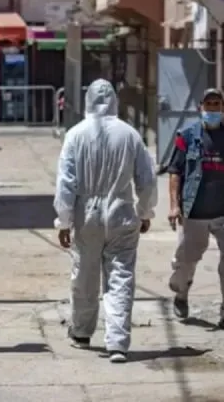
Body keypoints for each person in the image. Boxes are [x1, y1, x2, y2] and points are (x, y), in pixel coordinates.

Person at [53, 79, 157, 364]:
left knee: (84, 273)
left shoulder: (75, 135)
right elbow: (146, 180)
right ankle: (118, 343)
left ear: (87, 100)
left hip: (85, 212)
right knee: (120, 275)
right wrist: (145, 213)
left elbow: (66, 183)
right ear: (114, 101)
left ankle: (82, 332)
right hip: (122, 211)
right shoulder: (130, 135)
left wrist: (63, 221)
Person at [165, 88, 224, 332]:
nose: (212, 109)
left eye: (217, 104)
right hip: (194, 210)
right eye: (208, 104)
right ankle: (181, 292)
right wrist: (174, 206)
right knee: (186, 260)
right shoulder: (186, 136)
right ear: (200, 108)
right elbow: (175, 171)